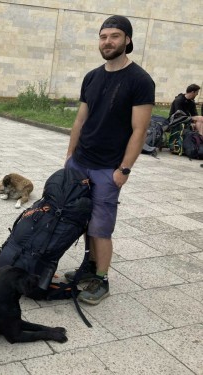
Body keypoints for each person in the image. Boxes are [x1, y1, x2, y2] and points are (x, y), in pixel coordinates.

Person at [64, 15, 155, 305]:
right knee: (81, 219)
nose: (108, 42)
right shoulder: (92, 76)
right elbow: (80, 120)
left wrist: (124, 170)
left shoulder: (140, 80)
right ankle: (88, 269)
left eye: (115, 36)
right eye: (103, 37)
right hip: (80, 161)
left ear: (127, 40)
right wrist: (69, 156)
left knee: (101, 227)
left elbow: (139, 130)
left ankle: (101, 279)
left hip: (108, 167)